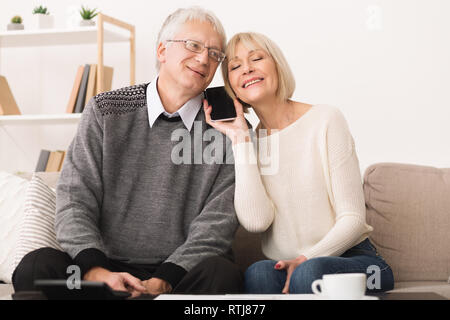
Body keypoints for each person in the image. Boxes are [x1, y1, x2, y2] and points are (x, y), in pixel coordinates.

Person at [12, 7, 243, 298]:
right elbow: (74, 199)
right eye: (194, 46)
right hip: (103, 270)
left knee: (222, 274)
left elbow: (218, 222)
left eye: (214, 54)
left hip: (179, 276)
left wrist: (163, 280)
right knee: (36, 267)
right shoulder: (106, 110)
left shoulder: (227, 125)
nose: (203, 59)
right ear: (162, 50)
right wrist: (97, 271)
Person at [204, 32, 394, 294]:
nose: (246, 68)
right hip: (288, 264)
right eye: (235, 67)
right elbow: (256, 222)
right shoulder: (248, 144)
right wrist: (239, 139)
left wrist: (306, 259)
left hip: (355, 260)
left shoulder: (326, 119)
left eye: (256, 58)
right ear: (231, 86)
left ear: (277, 67)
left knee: (309, 273)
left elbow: (352, 219)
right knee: (258, 274)